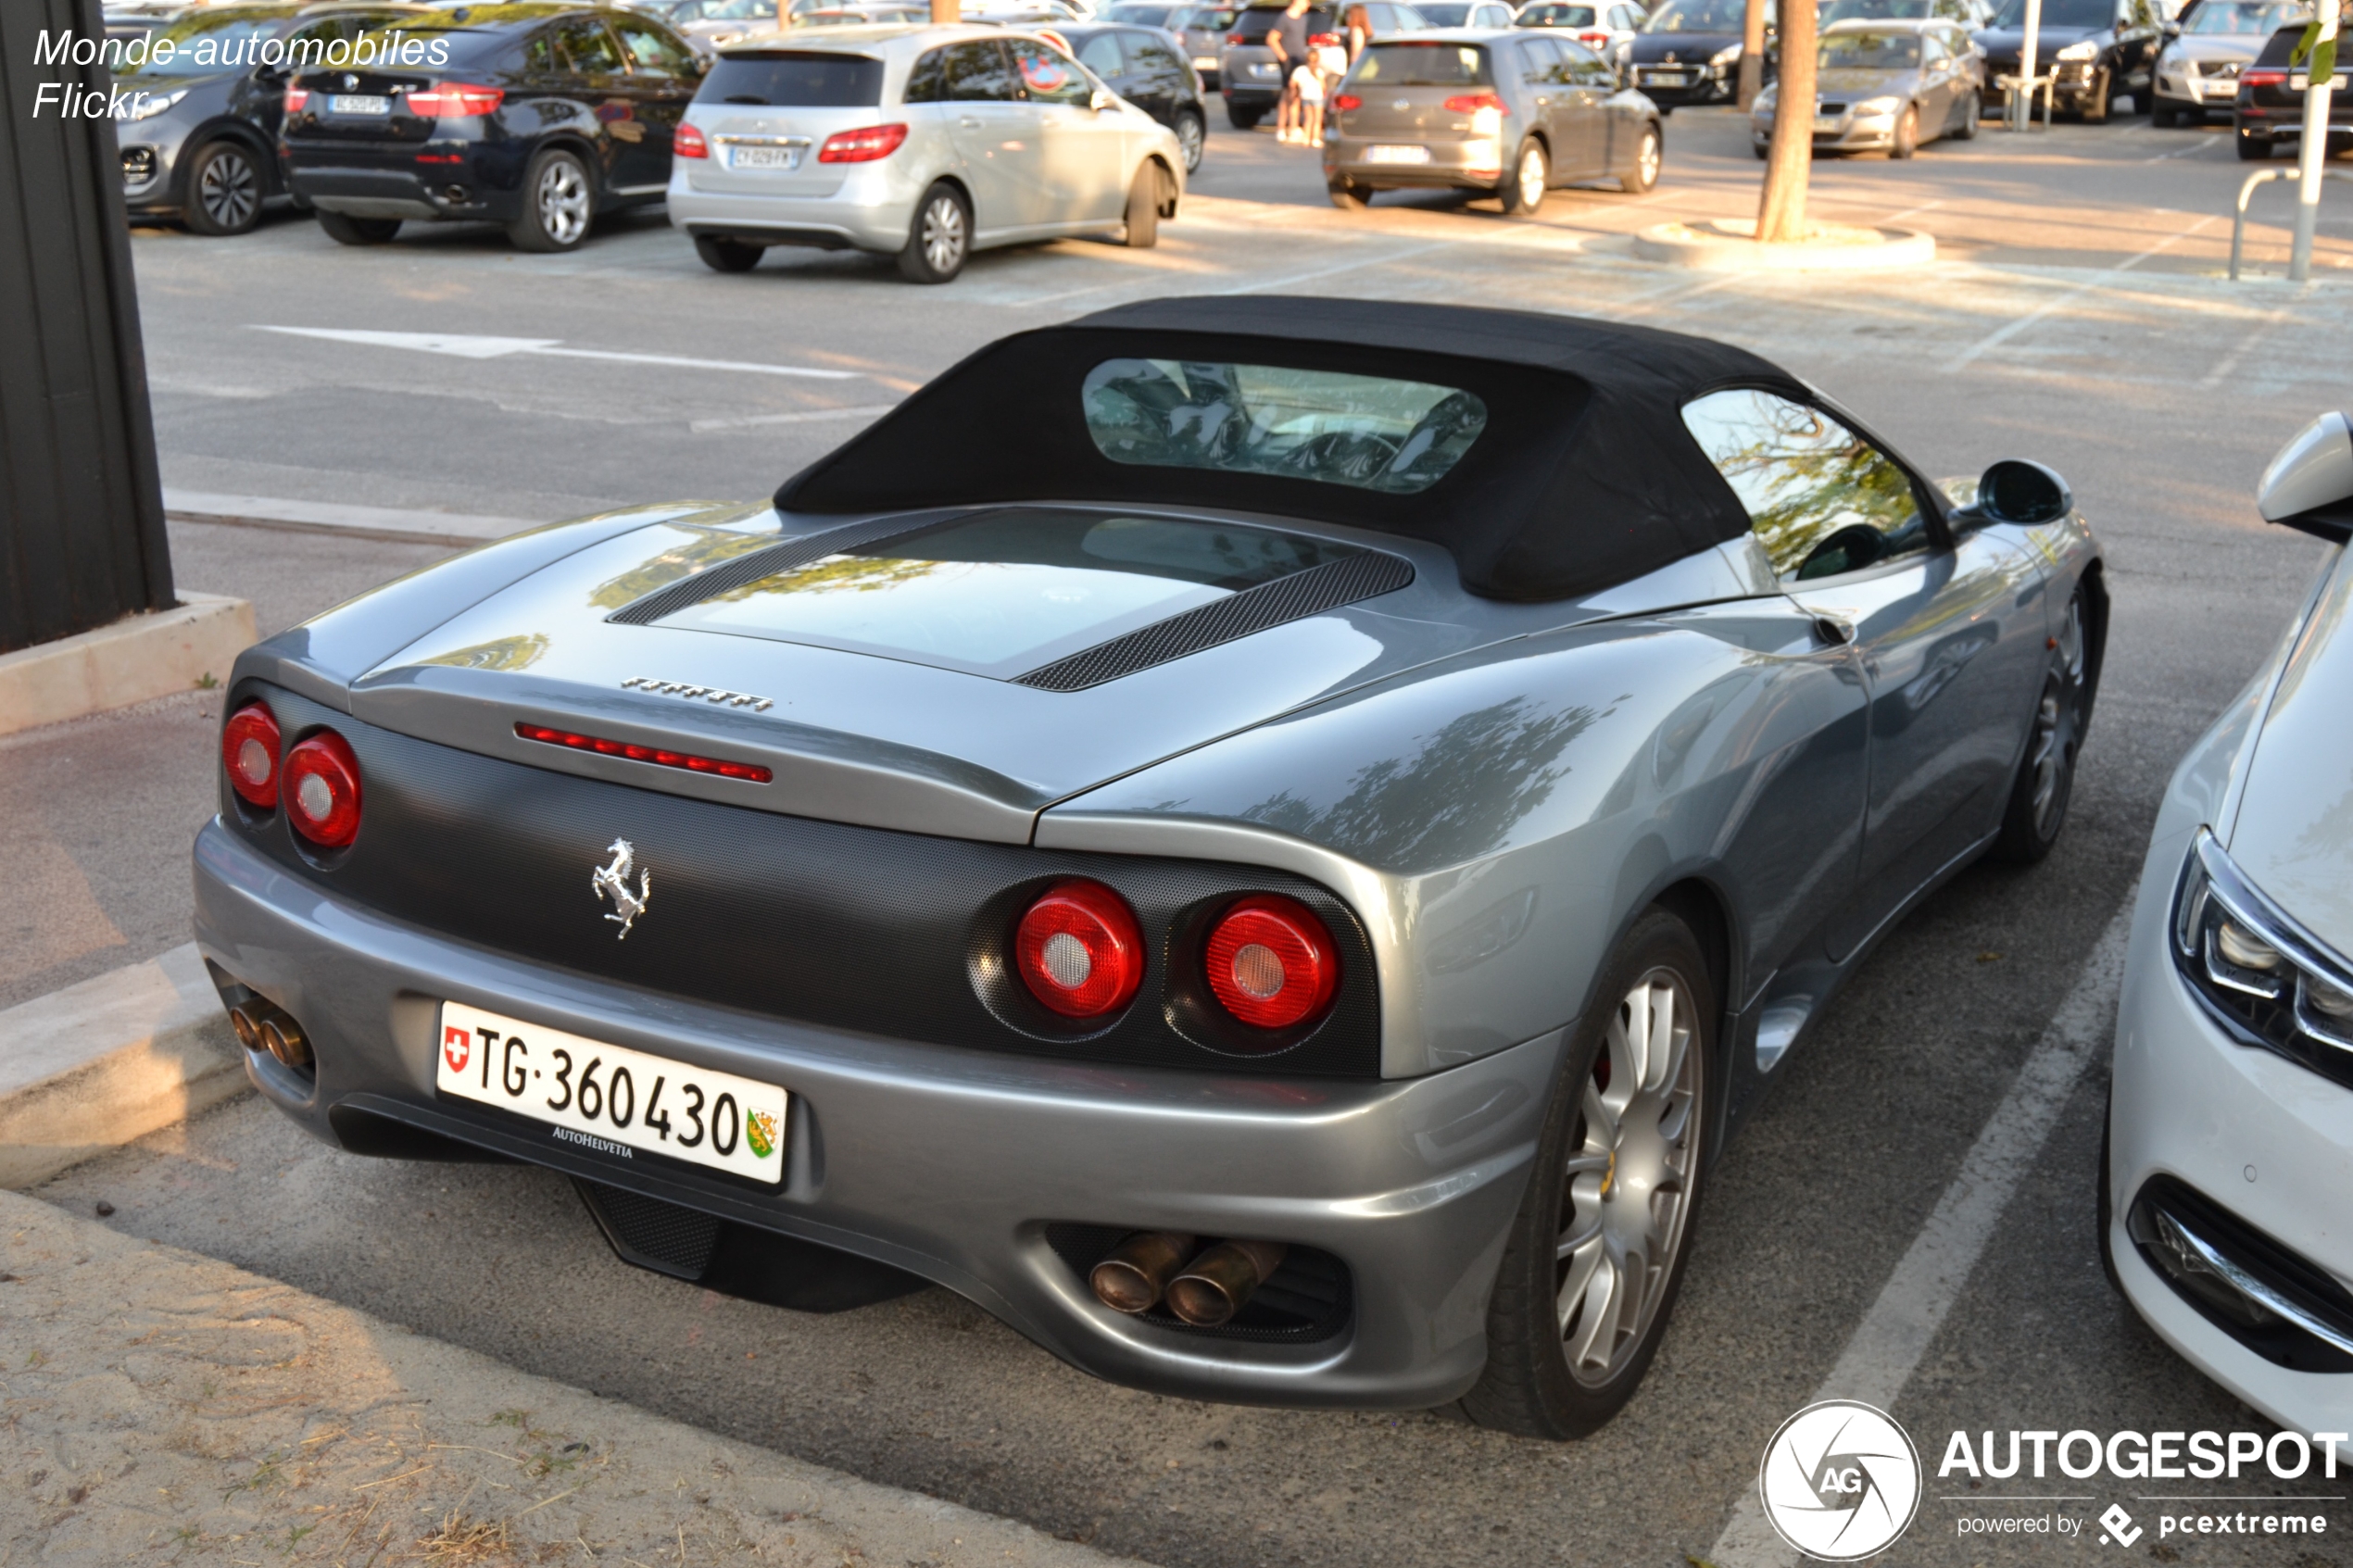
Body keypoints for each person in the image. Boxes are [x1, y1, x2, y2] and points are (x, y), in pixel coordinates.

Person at [1267, 0, 1313, 140]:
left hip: (1300, 60)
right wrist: (1282, 56)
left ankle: (1293, 127)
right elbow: (1272, 38)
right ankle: (1281, 128)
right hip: (1288, 62)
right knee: (1287, 94)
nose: (1308, 4)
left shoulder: (1304, 19)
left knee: (1297, 95)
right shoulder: (1284, 18)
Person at [1291, 49, 1326, 145]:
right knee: (1317, 120)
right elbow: (1323, 86)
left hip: (1305, 96)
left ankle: (1306, 138)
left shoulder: (1300, 70)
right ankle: (1315, 139)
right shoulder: (1319, 71)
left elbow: (1292, 83)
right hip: (1317, 97)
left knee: (1308, 119)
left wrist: (1297, 90)